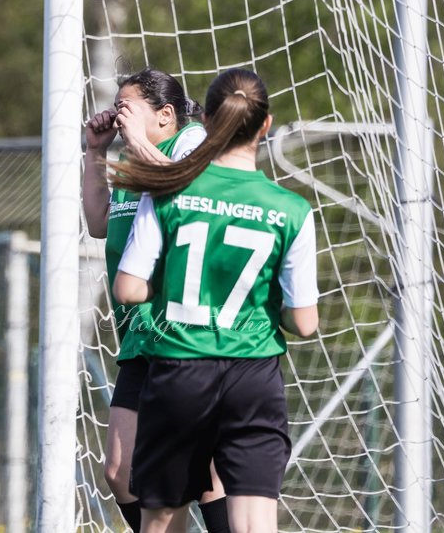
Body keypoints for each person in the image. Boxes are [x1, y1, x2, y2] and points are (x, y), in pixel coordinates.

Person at [111, 68, 320, 533]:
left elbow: (128, 289)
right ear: (265, 126)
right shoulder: (292, 210)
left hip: (179, 366)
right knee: (253, 521)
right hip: (254, 373)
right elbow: (304, 323)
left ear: (204, 121)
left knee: (162, 515)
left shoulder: (168, 189)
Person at [83, 68, 230, 533]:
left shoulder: (187, 142)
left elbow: (189, 189)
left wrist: (135, 145)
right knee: (121, 473)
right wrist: (95, 152)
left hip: (182, 333)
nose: (118, 114)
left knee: (199, 473)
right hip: (139, 335)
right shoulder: (135, 161)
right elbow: (99, 222)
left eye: (128, 106)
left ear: (165, 115)